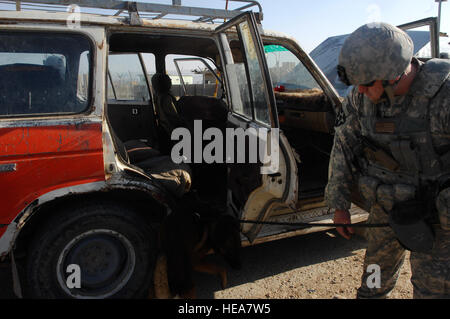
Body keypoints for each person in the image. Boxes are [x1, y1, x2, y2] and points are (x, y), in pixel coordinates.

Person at [325, 22, 450, 298]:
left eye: (367, 85)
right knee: (372, 285)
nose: (359, 92)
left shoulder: (444, 96)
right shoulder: (360, 99)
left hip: (438, 219)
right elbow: (343, 145)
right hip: (386, 210)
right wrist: (339, 205)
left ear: (393, 75)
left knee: (434, 292)